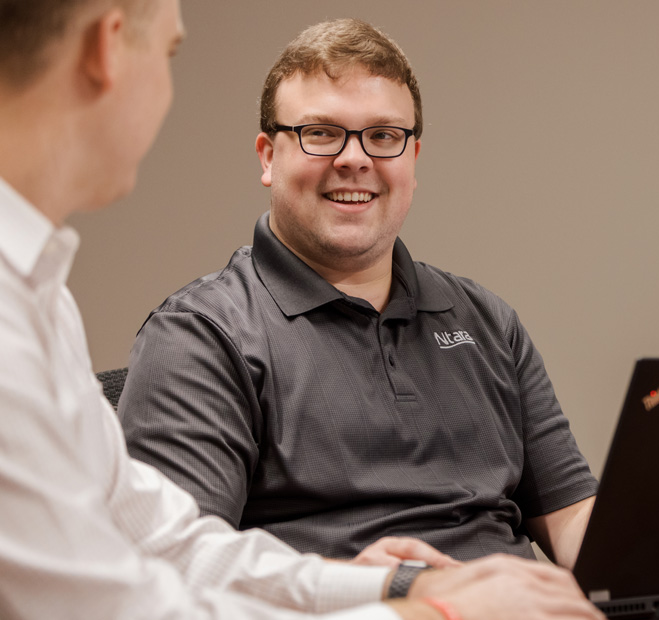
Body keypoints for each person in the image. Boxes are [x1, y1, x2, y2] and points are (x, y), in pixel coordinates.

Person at [0, 1, 604, 618]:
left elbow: (175, 541)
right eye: (320, 133)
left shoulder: (41, 300)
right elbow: (137, 601)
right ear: (109, 45)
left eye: (384, 136)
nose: (354, 158)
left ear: (413, 158)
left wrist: (397, 587)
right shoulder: (197, 331)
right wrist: (429, 613)